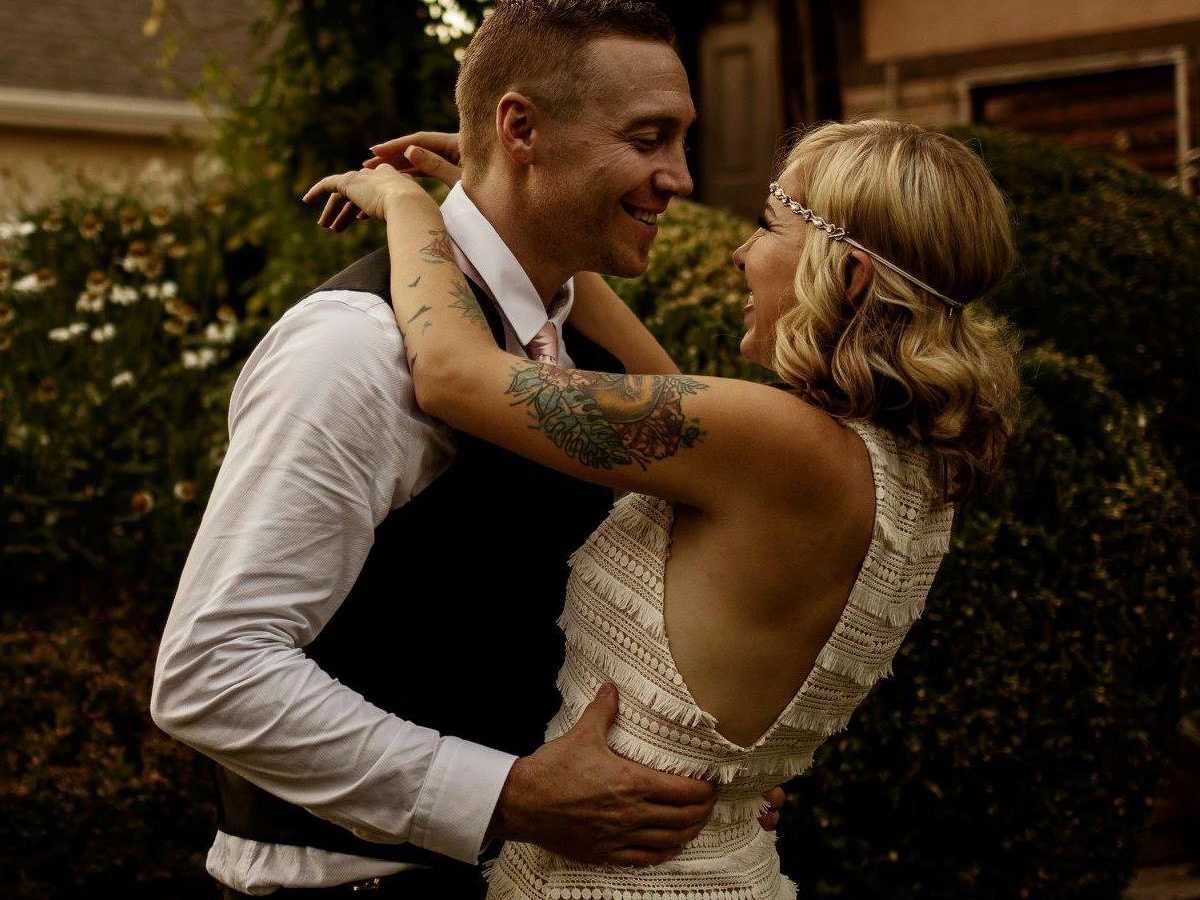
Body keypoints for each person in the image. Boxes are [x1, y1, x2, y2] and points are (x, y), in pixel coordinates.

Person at [150, 2, 784, 898]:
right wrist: (505, 794)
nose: (679, 177)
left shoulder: (579, 356)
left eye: (682, 140)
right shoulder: (353, 349)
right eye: (648, 138)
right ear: (519, 127)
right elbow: (212, 672)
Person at [301, 114, 1023, 898]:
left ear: (845, 275)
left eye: (767, 226)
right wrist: (507, 210)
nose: (741, 254)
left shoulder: (782, 444)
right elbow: (659, 385)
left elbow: (451, 372)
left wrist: (407, 206)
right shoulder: (893, 467)